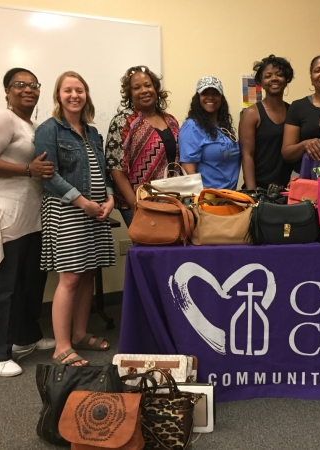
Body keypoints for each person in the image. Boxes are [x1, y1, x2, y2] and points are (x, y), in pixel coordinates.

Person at [0, 68, 55, 377]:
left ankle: (25, 336)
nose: (28, 89)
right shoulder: (2, 119)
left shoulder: (29, 124)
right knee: (4, 286)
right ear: (7, 91)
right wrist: (27, 170)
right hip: (3, 214)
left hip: (30, 215)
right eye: (20, 84)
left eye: (33, 85)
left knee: (30, 281)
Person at [34, 71, 116, 366]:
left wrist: (109, 199)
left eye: (79, 90)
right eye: (67, 90)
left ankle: (80, 334)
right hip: (68, 211)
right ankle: (62, 346)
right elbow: (49, 176)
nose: (74, 95)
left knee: (88, 273)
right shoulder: (49, 129)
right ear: (58, 96)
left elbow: (102, 171)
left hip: (95, 212)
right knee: (69, 277)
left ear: (86, 95)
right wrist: (83, 203)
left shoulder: (93, 132)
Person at [105, 66, 180, 227]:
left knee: (170, 247)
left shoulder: (171, 121)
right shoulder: (123, 121)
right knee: (147, 249)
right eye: (136, 88)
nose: (144, 90)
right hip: (138, 203)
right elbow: (115, 167)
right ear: (130, 94)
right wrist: (134, 203)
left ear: (155, 88)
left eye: (147, 85)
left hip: (170, 200)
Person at [240, 55, 294, 189]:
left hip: (285, 190)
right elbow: (247, 155)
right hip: (259, 189)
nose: (274, 79)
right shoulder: (252, 114)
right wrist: (253, 193)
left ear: (286, 79)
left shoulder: (293, 111)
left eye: (279, 74)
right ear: (261, 82)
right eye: (268, 76)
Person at [179, 76, 240, 189]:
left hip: (230, 197)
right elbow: (189, 171)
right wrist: (204, 198)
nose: (210, 97)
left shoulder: (223, 126)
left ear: (221, 97)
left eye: (215, 93)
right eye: (205, 93)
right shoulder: (192, 127)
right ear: (198, 97)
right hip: (208, 200)